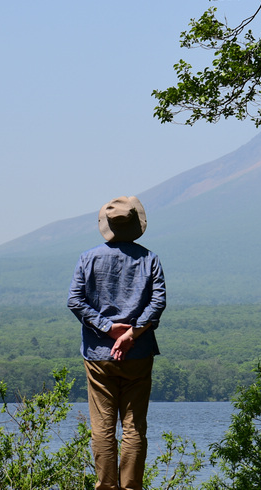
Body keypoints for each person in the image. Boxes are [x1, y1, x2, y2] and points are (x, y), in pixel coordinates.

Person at [68, 196, 167, 490]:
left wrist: (108, 328)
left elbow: (74, 300)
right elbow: (158, 302)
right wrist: (131, 333)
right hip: (139, 354)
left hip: (98, 357)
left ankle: (106, 487)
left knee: (101, 428)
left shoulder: (88, 258)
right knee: (134, 429)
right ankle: (131, 487)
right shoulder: (150, 259)